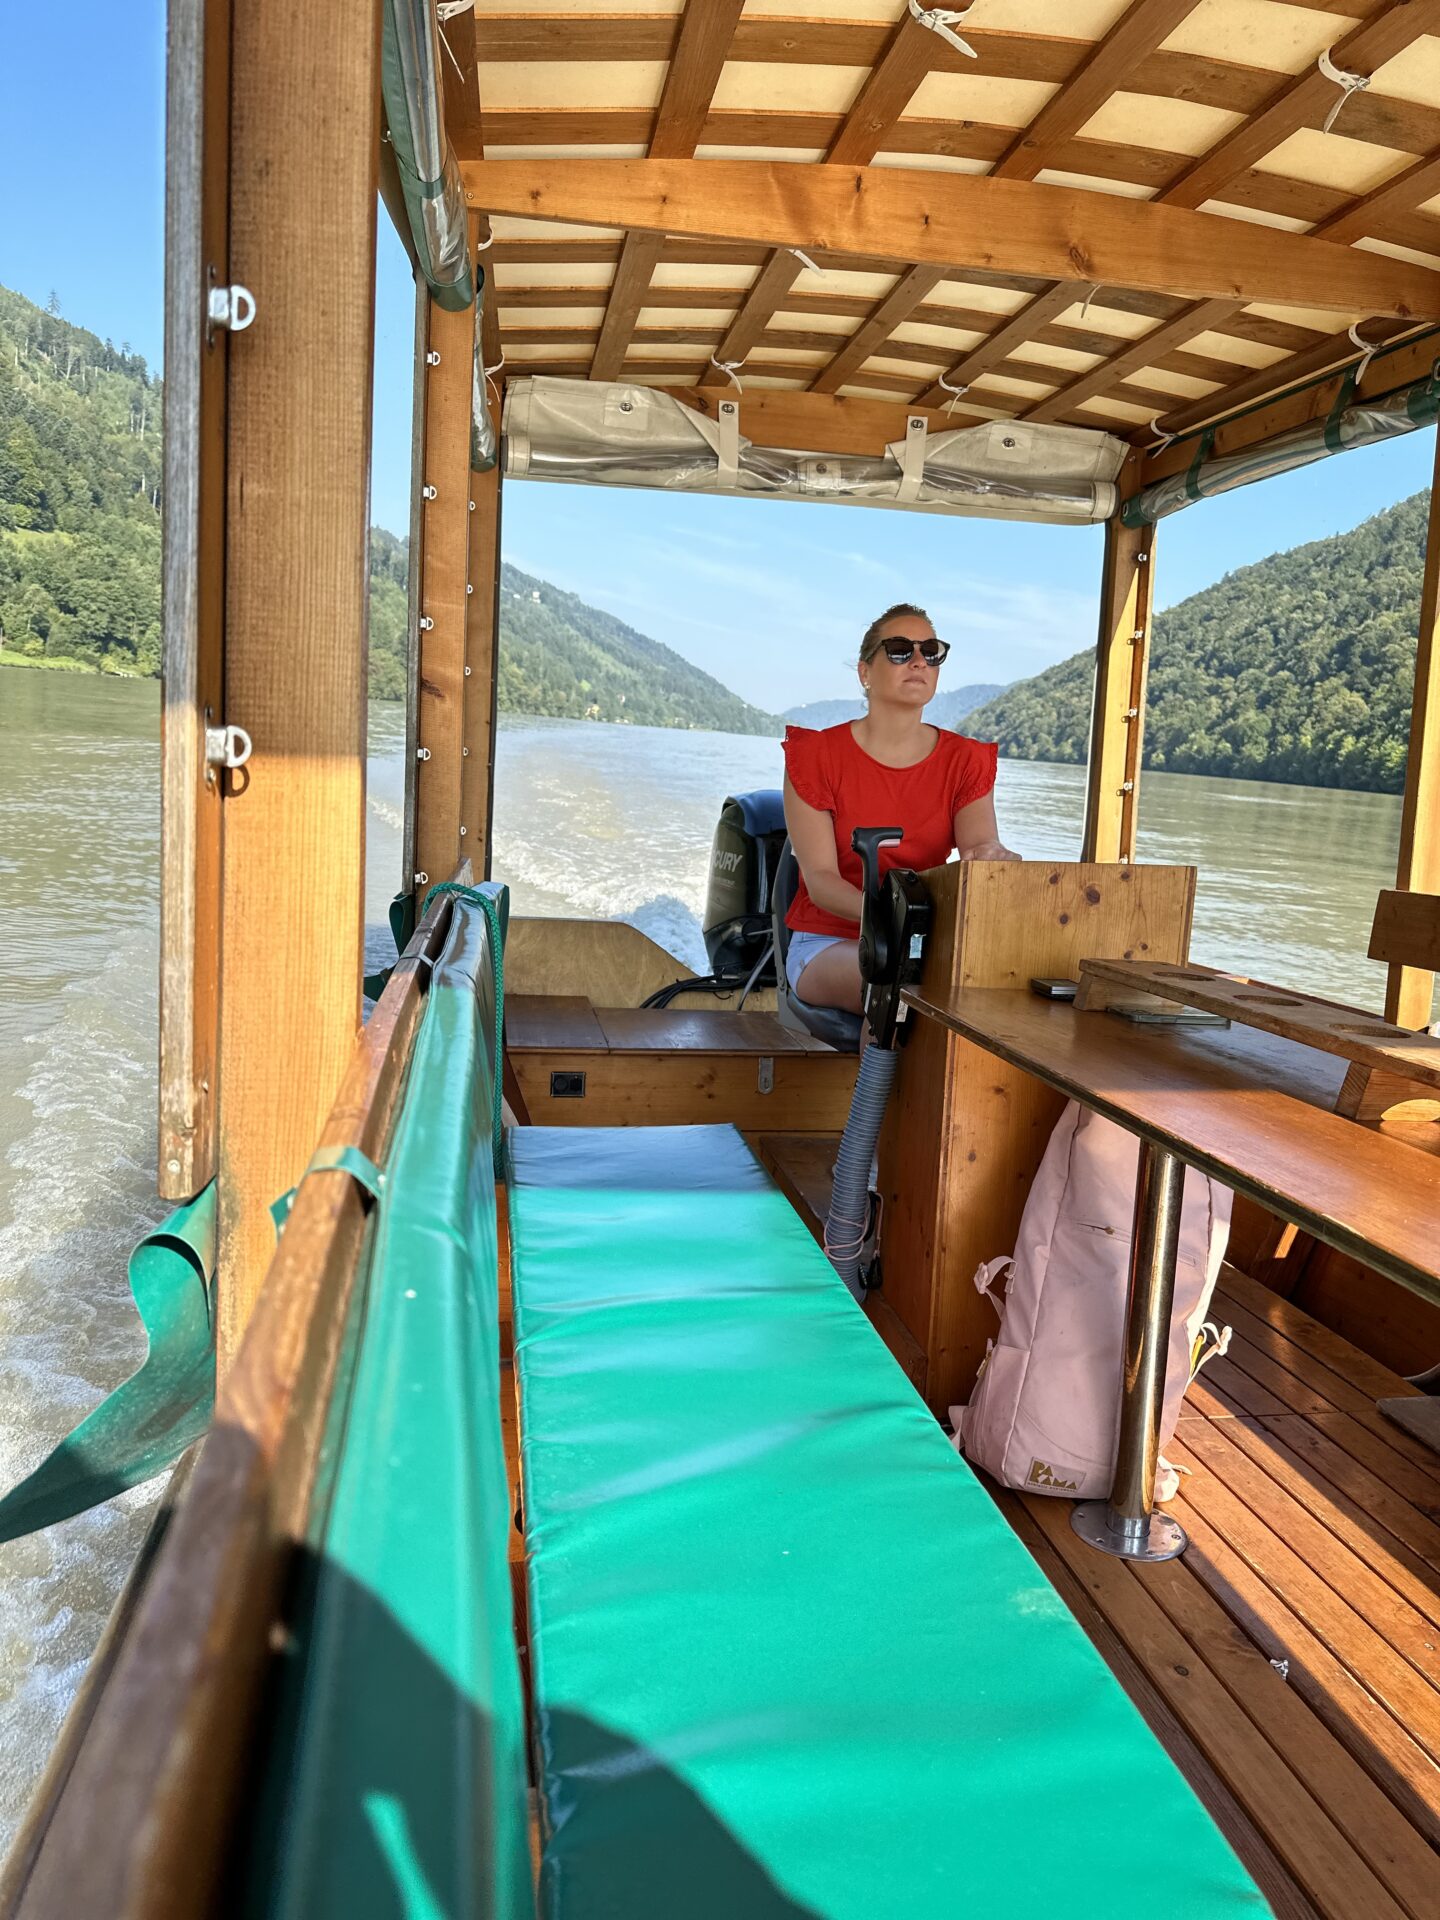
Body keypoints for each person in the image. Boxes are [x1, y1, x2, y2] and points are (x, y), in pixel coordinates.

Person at [782, 602, 1018, 1015]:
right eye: (898, 650)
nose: (918, 661)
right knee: (893, 980)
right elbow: (821, 882)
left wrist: (993, 860)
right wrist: (899, 919)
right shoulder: (815, 756)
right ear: (865, 672)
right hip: (828, 942)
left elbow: (979, 848)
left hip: (920, 944)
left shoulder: (966, 761)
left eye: (931, 651)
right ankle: (878, 1062)